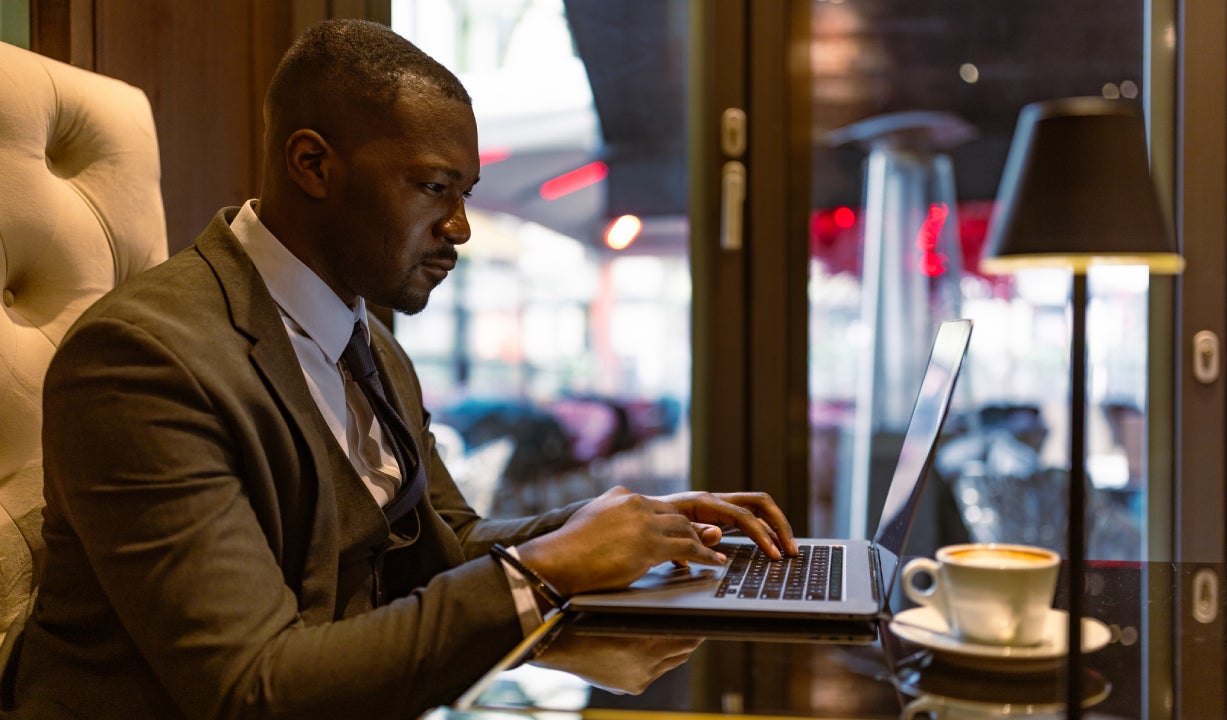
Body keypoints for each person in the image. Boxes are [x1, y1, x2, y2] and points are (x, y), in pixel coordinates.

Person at [4, 18, 797, 720]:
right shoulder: (142, 359)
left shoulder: (368, 340)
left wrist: (619, 528)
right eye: (433, 187)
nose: (459, 227)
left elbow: (444, 537)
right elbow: (249, 688)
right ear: (313, 165)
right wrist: (541, 574)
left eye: (467, 194)